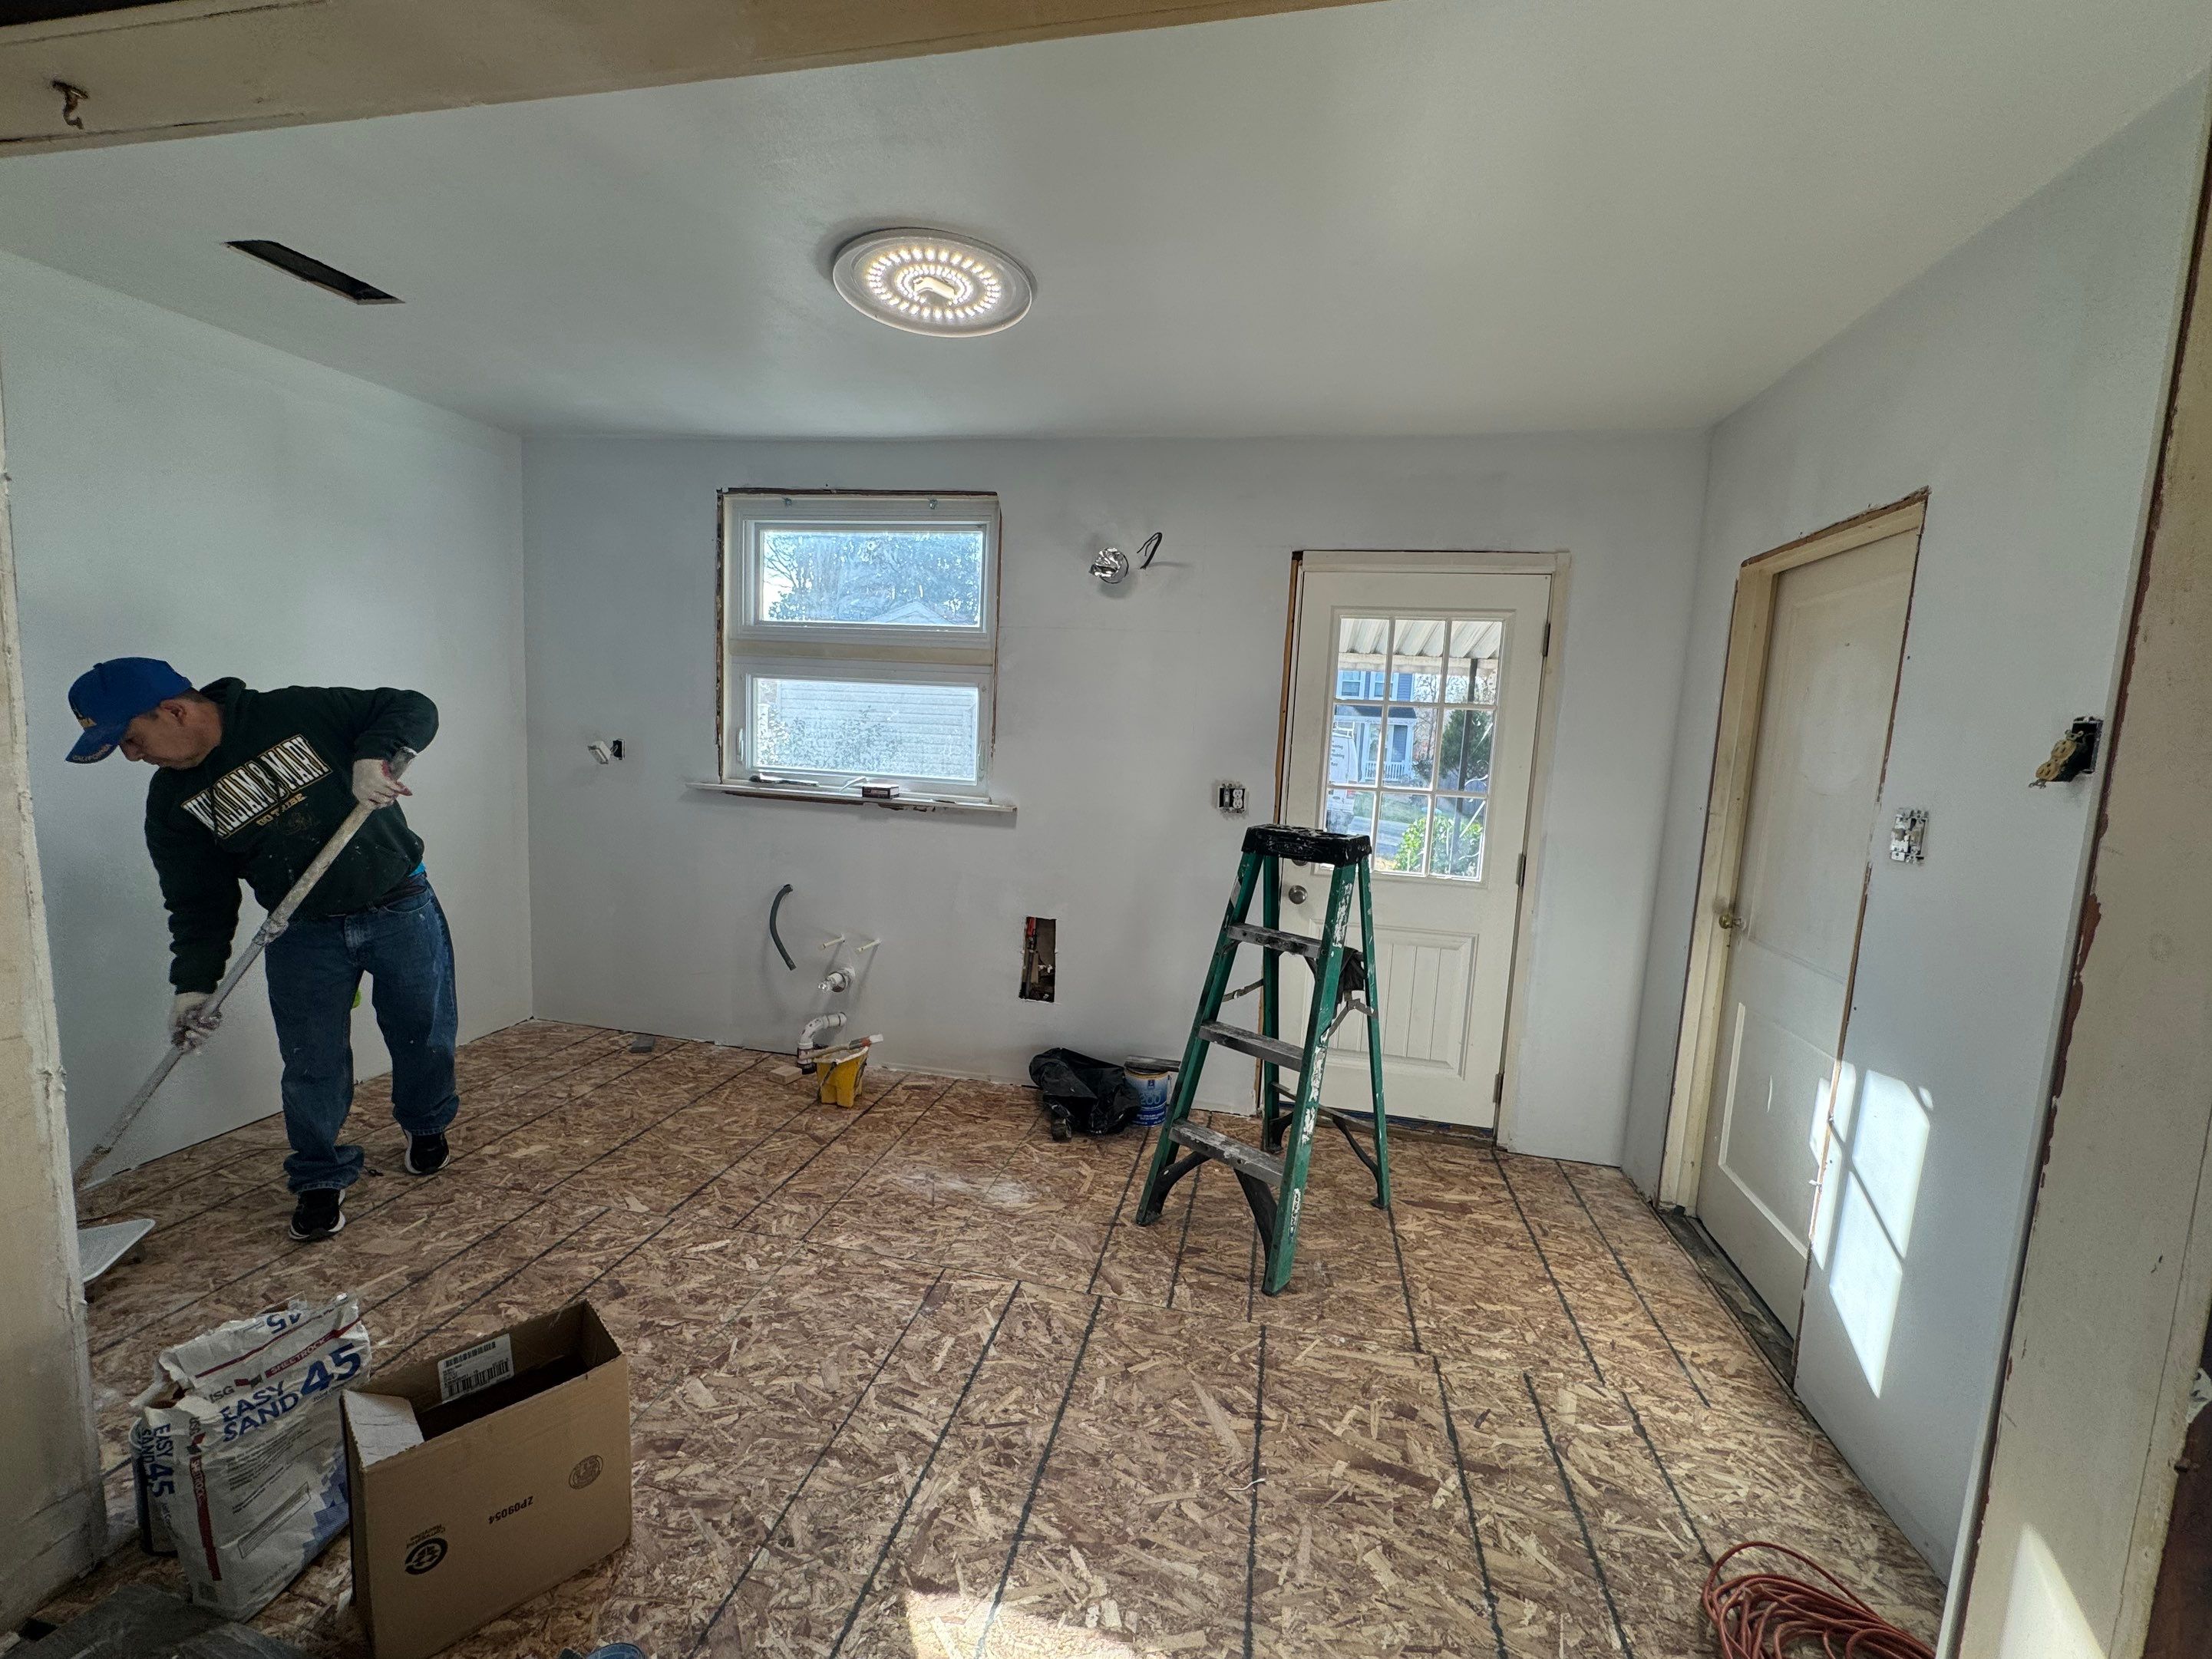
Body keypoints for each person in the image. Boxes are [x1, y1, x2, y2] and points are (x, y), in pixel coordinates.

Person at [68, 658, 458, 1241]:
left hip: (399, 903)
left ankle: (425, 1122)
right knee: (311, 1062)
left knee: (421, 1028)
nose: (130, 755)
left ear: (173, 710)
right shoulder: (173, 804)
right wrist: (193, 986)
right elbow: (198, 902)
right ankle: (320, 1175)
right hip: (301, 931)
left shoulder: (292, 712)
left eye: (130, 739)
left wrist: (370, 756)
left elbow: (412, 706)